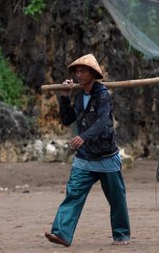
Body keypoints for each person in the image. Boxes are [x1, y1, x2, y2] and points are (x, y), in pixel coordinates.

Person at [44, 54, 131, 247]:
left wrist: (83, 137)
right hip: (85, 157)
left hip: (106, 155)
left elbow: (102, 122)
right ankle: (62, 233)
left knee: (116, 198)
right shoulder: (79, 95)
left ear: (93, 73)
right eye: (77, 71)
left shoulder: (102, 95)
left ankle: (121, 234)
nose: (79, 74)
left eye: (83, 71)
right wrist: (65, 97)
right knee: (73, 193)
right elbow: (67, 120)